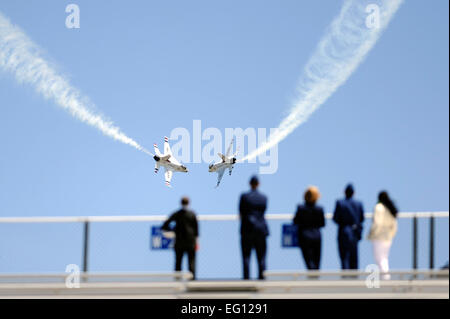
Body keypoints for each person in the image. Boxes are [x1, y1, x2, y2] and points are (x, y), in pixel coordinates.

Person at [239, 175, 269, 280]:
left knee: (246, 256)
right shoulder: (263, 198)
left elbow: (241, 212)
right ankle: (261, 278)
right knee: (261, 257)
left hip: (247, 229)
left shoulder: (244, 197)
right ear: (258, 183)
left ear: (250, 183)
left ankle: (246, 279)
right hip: (261, 229)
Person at [162, 197, 199, 280]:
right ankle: (192, 281)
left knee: (178, 262)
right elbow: (196, 230)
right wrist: (196, 242)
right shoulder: (192, 214)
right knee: (191, 262)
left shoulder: (177, 214)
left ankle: (177, 280)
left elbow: (165, 225)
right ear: (189, 203)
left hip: (179, 241)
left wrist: (173, 231)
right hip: (191, 242)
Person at [333, 183, 365, 270]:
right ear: (353, 192)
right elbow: (362, 219)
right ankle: (354, 277)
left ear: (344, 192)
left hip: (343, 231)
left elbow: (335, 218)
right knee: (354, 256)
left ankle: (345, 277)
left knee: (344, 256)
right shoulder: (359, 204)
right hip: (355, 231)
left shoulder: (340, 203)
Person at [293, 186, 326, 270]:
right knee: (317, 259)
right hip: (317, 236)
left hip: (304, 236)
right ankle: (315, 277)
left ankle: (311, 275)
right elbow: (322, 224)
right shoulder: (319, 209)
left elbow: (295, 221)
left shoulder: (301, 208)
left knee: (308, 259)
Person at [367, 191, 398, 280]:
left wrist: (371, 234)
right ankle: (385, 276)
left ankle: (385, 277)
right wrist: (392, 234)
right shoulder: (390, 208)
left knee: (379, 258)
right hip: (388, 237)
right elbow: (394, 225)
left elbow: (377, 223)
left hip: (379, 237)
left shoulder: (379, 207)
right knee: (384, 257)